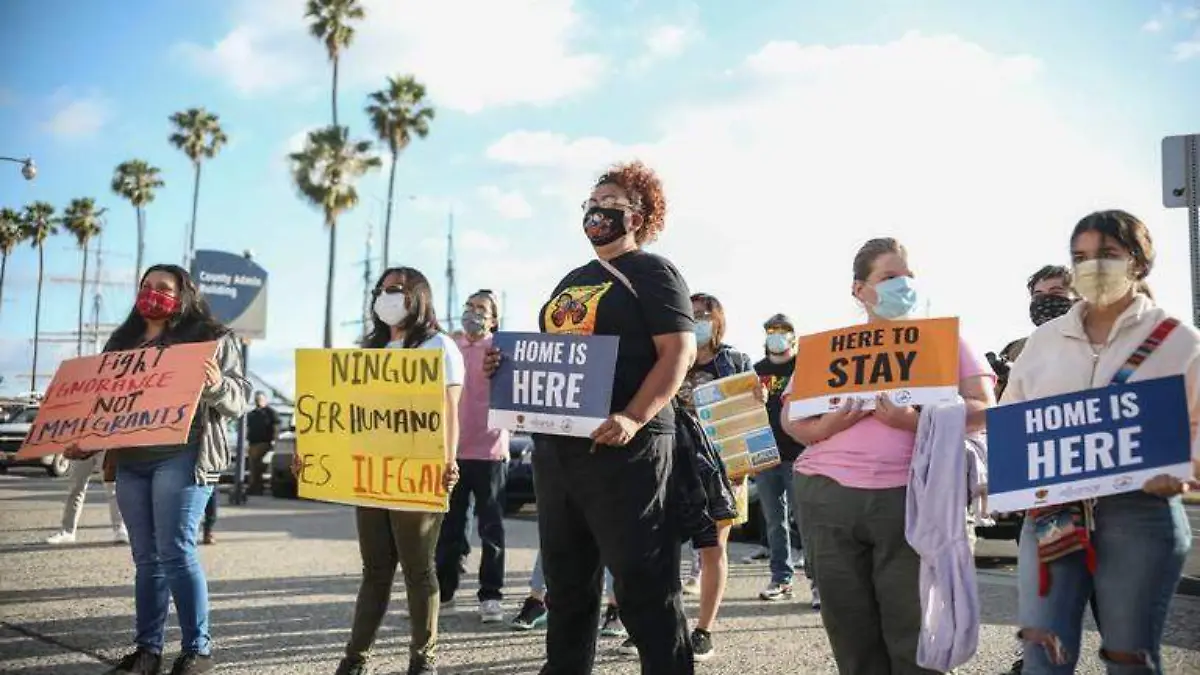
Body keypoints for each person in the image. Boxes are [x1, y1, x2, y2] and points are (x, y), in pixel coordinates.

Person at [485, 160, 696, 674]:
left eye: (611, 203)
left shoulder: (654, 273)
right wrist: (503, 364)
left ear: (640, 214)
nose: (597, 211)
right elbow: (556, 353)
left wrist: (633, 416)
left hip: (629, 451)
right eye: (591, 203)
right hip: (560, 453)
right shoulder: (573, 279)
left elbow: (678, 353)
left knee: (643, 584)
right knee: (567, 584)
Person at [782, 238, 995, 675]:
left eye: (909, 278)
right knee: (850, 632)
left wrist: (915, 422)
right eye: (891, 278)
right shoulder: (830, 347)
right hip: (827, 497)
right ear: (860, 289)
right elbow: (791, 416)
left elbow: (986, 409)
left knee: (915, 632)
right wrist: (826, 428)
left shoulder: (945, 340)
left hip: (910, 496)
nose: (904, 286)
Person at [1003, 210, 1200, 674]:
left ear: (1139, 262)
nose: (1092, 267)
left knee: (1129, 658)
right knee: (1041, 657)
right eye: (1081, 257)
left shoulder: (1179, 341)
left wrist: (1182, 469)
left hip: (1140, 515)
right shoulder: (1044, 342)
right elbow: (1010, 419)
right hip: (1052, 517)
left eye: (1107, 255)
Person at [63, 264, 250, 675]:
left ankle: (196, 650)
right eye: (145, 286)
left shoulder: (211, 340)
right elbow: (105, 405)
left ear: (183, 294)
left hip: (183, 455)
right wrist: (86, 440)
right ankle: (147, 651)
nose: (151, 293)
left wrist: (217, 384)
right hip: (131, 459)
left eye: (162, 288)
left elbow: (241, 399)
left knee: (176, 552)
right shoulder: (122, 342)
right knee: (146, 558)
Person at [322, 267, 464, 675]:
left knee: (419, 570)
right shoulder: (368, 351)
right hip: (370, 474)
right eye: (381, 291)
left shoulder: (440, 346)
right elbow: (343, 414)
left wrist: (449, 461)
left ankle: (424, 659)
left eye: (396, 290)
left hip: (418, 471)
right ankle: (355, 659)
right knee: (375, 571)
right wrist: (319, 455)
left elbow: (448, 409)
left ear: (418, 295)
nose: (386, 297)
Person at [674, 292, 757, 662]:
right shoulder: (671, 355)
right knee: (659, 551)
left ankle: (703, 630)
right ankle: (663, 627)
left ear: (719, 320)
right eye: (691, 314)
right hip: (673, 465)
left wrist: (742, 467)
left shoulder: (735, 360)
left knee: (713, 549)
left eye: (706, 314)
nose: (699, 319)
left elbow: (750, 418)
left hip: (721, 469)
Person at [436, 290, 509, 623]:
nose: (473, 313)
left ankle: (491, 595)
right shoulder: (449, 347)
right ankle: (445, 591)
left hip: (491, 450)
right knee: (450, 526)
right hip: (453, 450)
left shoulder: (502, 350)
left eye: (481, 309)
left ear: (493, 318)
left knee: (490, 529)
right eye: (469, 307)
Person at [752, 313, 817, 607]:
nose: (776, 335)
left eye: (783, 330)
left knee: (807, 521)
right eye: (771, 330)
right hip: (765, 455)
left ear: (793, 336)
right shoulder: (755, 370)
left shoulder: (805, 368)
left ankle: (818, 583)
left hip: (800, 453)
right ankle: (781, 578)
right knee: (774, 522)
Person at [988, 265, 1076, 398]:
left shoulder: (1097, 341)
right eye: (1038, 295)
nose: (1045, 300)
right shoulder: (1017, 350)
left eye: (1056, 293)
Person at [45, 451, 128, 545]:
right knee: (75, 488)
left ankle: (120, 529)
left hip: (105, 446)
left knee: (112, 486)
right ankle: (67, 531)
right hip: (82, 446)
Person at [244, 391, 280, 496]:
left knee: (258, 465)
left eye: (260, 399)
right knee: (253, 466)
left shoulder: (271, 413)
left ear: (265, 400)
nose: (258, 401)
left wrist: (274, 440)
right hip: (253, 443)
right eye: (257, 399)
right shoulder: (252, 414)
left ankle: (255, 487)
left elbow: (276, 427)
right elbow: (248, 428)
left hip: (265, 443)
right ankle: (255, 487)